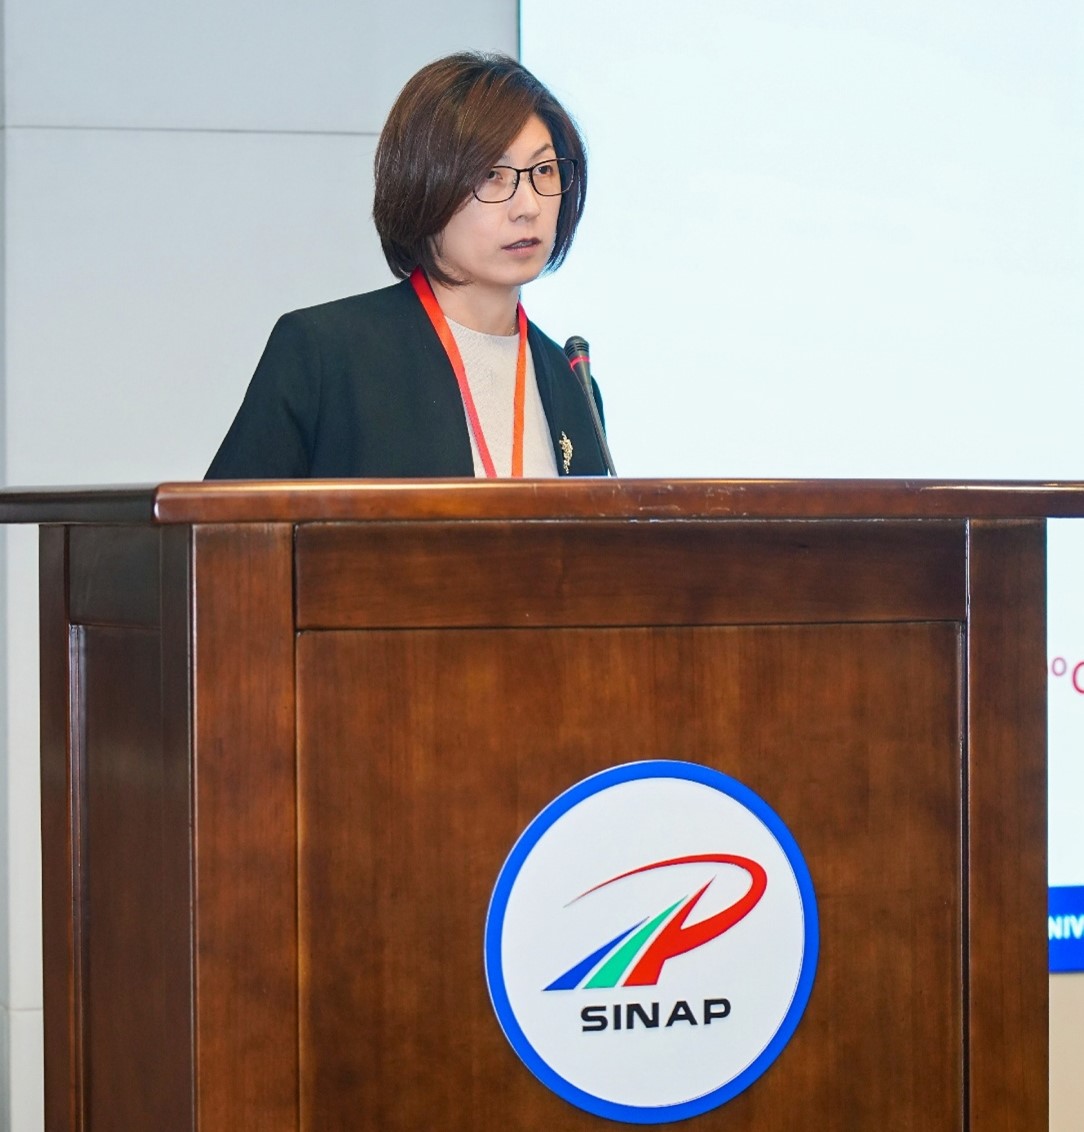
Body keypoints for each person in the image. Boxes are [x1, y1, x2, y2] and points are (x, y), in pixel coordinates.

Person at [205, 51, 609, 480]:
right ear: (424, 185)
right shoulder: (324, 354)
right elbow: (222, 521)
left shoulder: (574, 387)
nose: (528, 206)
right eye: (492, 174)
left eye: (544, 170)